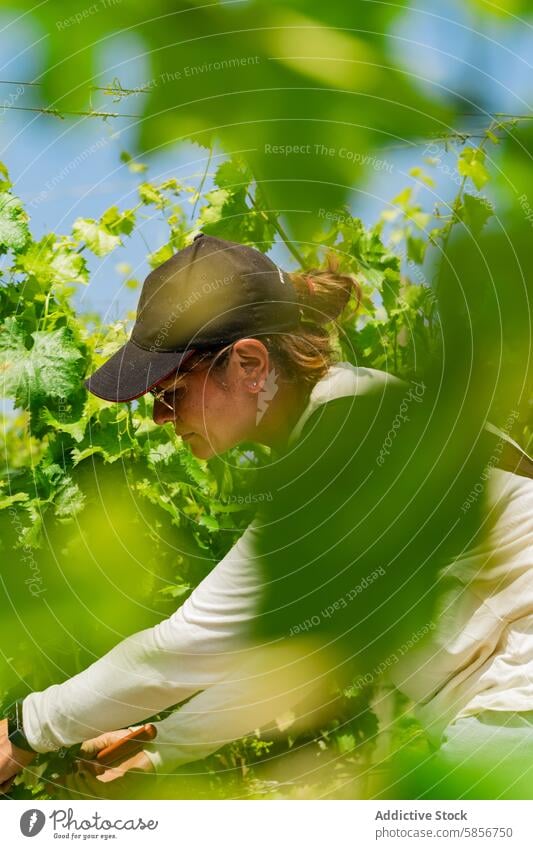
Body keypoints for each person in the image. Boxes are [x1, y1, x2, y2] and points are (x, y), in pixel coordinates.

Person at [1, 234, 532, 796]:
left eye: (172, 390)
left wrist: (20, 732)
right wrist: (166, 747)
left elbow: (184, 647)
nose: (159, 416)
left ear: (250, 363)